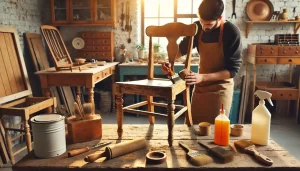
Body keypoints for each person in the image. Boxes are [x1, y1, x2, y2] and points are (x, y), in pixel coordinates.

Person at [162, 0, 242, 124]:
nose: (204, 27)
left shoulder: (231, 32)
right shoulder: (197, 27)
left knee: (214, 128)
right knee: (192, 125)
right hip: (201, 86)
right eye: (201, 22)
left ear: (220, 18)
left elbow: (232, 71)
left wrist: (202, 77)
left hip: (221, 86)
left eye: (208, 24)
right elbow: (180, 50)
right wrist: (169, 61)